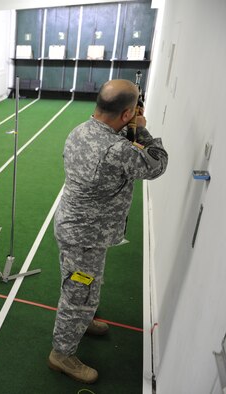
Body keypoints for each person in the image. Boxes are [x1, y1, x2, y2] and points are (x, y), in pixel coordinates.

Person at [48, 79, 168, 383]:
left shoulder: (81, 130)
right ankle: (61, 354)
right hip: (86, 237)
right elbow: (156, 164)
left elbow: (116, 146)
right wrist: (142, 130)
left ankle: (82, 320)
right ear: (127, 113)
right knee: (79, 293)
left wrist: (129, 127)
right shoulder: (116, 149)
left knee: (82, 286)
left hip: (77, 227)